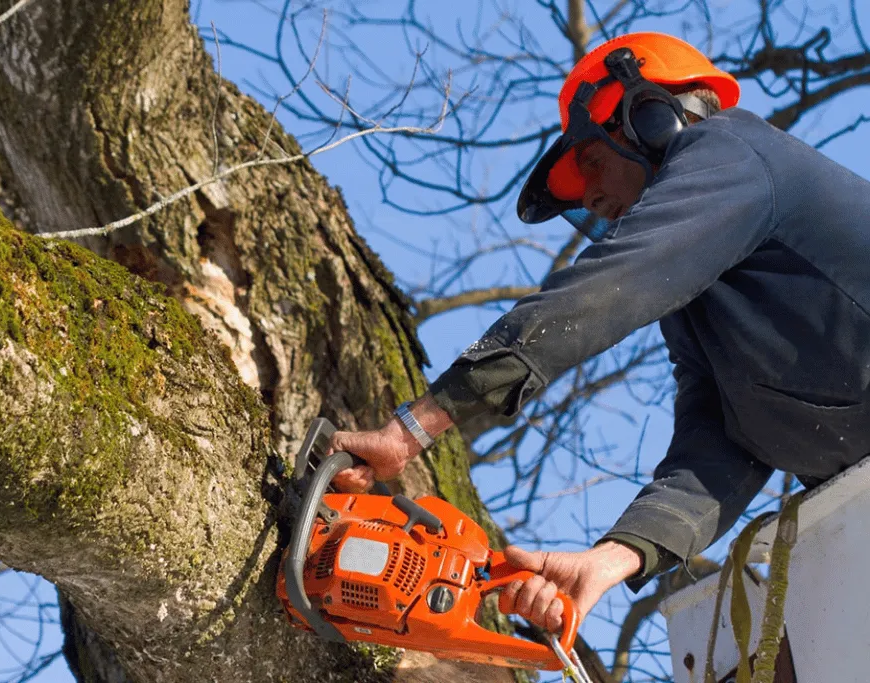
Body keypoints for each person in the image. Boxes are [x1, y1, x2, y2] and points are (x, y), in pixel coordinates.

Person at [328, 31, 870, 632]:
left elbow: (607, 287)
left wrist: (411, 430)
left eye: (590, 161)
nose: (591, 195)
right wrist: (611, 559)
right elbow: (721, 445)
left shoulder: (736, 152)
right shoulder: (701, 302)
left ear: (650, 117)